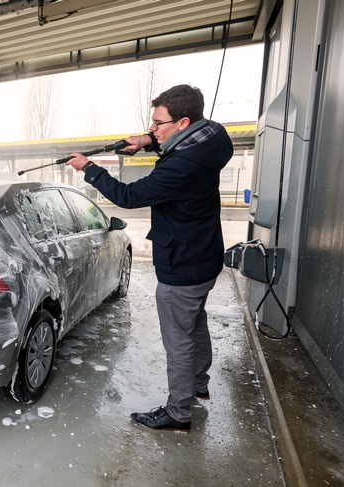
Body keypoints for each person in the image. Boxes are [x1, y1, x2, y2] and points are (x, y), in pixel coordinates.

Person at [66, 84, 233, 432]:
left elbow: (127, 196)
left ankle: (178, 412)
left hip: (182, 264)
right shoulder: (214, 137)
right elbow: (177, 139)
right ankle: (198, 384)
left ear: (183, 121)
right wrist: (148, 141)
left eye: (158, 124)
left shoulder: (179, 169)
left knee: (179, 339)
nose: (152, 128)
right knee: (195, 324)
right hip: (205, 257)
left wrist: (90, 168)